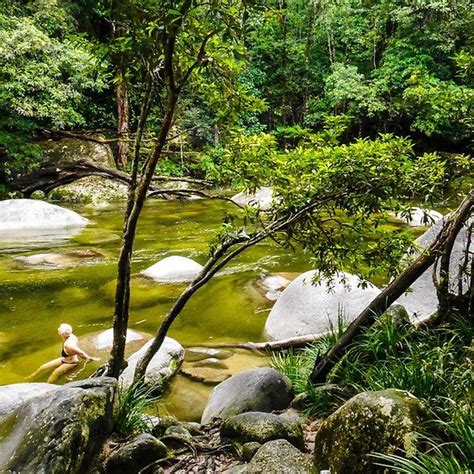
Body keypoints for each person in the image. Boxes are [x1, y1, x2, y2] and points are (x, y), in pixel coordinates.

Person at [27, 323, 100, 383]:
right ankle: (31, 376)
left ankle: (47, 386)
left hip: (70, 363)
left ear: (61, 333)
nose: (58, 329)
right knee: (43, 367)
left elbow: (81, 353)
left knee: (54, 374)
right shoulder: (69, 335)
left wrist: (90, 358)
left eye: (59, 328)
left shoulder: (68, 345)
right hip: (64, 358)